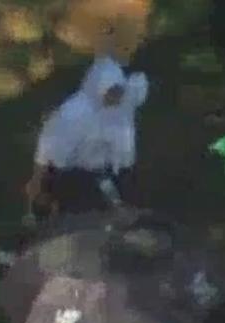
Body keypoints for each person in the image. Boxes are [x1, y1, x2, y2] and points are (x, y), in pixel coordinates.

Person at [24, 55, 148, 218]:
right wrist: (38, 180)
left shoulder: (124, 102)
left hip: (107, 169)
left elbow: (137, 89)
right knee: (79, 209)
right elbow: (49, 148)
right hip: (73, 171)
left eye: (118, 91)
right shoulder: (74, 112)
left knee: (114, 200)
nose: (115, 97)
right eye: (110, 92)